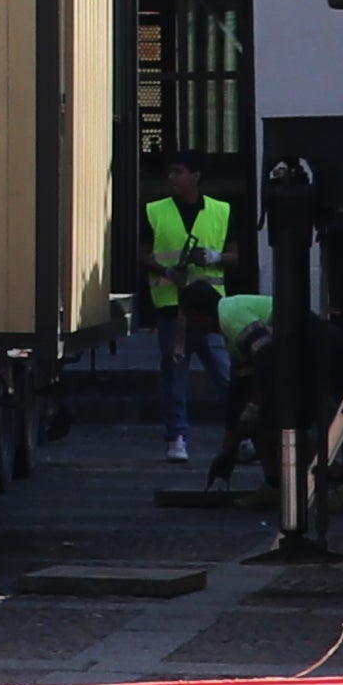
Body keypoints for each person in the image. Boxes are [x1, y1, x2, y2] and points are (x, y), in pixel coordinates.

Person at [144, 149, 239, 465]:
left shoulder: (221, 211)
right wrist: (166, 271)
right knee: (174, 379)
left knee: (227, 378)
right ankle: (176, 438)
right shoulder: (155, 211)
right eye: (170, 173)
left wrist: (215, 257)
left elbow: (236, 256)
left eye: (178, 171)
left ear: (196, 176)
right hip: (172, 309)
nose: (172, 178)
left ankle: (243, 436)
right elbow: (141, 253)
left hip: (212, 313)